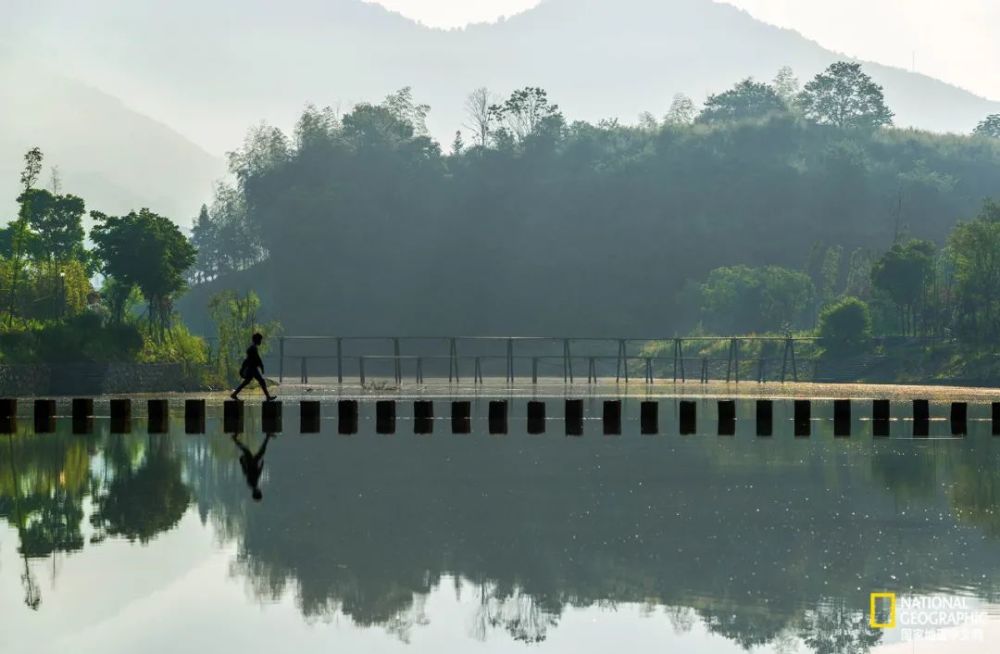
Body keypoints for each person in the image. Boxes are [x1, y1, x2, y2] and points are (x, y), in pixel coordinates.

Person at [231, 332, 275, 401]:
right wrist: (261, 366)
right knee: (262, 381)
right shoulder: (253, 348)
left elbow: (248, 359)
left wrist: (243, 368)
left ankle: (234, 394)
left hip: (251, 369)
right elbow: (257, 358)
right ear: (256, 340)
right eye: (259, 340)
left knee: (246, 382)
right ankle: (268, 397)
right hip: (252, 369)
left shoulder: (252, 348)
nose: (260, 341)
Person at [232, 433, 273, 501]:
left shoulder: (253, 484)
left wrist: (243, 463)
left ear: (257, 492)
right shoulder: (251, 485)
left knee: (250, 451)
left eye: (259, 492)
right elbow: (247, 473)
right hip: (252, 463)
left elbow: (252, 473)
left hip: (251, 463)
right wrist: (243, 464)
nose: (260, 491)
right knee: (254, 451)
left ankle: (234, 439)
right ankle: (267, 436)